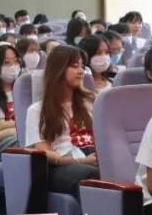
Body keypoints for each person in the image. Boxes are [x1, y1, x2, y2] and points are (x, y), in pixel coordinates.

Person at [23, 45, 98, 198]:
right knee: (92, 174)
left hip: (92, 155)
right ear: (58, 70)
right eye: (75, 66)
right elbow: (44, 152)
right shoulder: (37, 110)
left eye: (82, 66)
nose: (81, 71)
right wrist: (81, 161)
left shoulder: (91, 101)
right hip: (62, 165)